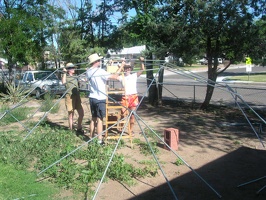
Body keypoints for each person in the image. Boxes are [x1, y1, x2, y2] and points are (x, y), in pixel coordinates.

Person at [86, 53, 118, 145]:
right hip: (100, 98)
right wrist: (121, 67)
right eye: (99, 60)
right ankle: (100, 141)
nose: (100, 62)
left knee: (93, 119)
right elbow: (114, 77)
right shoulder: (100, 71)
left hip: (92, 97)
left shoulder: (88, 71)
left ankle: (91, 138)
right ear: (96, 62)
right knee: (100, 120)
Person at [116, 57, 145, 135]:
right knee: (123, 113)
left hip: (133, 96)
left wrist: (141, 61)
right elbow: (115, 75)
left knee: (132, 115)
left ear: (131, 69)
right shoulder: (121, 77)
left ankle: (130, 130)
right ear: (124, 69)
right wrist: (121, 66)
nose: (127, 69)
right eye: (126, 68)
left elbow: (142, 70)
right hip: (125, 96)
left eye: (128, 68)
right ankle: (120, 128)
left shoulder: (134, 75)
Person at [61, 62, 84, 135]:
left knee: (81, 113)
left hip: (77, 96)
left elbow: (81, 84)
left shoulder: (75, 76)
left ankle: (79, 127)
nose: (74, 69)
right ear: (68, 70)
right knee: (71, 114)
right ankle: (71, 130)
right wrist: (64, 73)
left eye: (74, 67)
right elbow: (63, 82)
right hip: (69, 97)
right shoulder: (66, 77)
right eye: (72, 68)